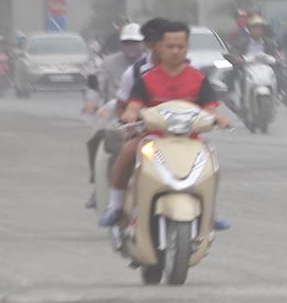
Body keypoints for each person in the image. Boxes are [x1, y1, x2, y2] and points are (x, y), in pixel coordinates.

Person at [99, 20, 235, 228]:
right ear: (158, 47)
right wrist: (130, 115)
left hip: (190, 138)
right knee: (127, 152)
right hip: (152, 137)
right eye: (169, 46)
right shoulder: (143, 77)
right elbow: (132, 104)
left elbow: (209, 108)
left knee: (211, 162)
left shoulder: (197, 76)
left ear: (187, 47)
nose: (175, 51)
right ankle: (115, 206)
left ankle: (210, 211)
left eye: (180, 47)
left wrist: (218, 118)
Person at [82, 22, 146, 208]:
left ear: (143, 44)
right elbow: (96, 86)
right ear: (121, 44)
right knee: (96, 141)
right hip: (114, 116)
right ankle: (98, 188)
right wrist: (91, 104)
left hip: (146, 117)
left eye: (135, 43)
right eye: (127, 43)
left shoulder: (152, 63)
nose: (131, 47)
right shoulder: (108, 63)